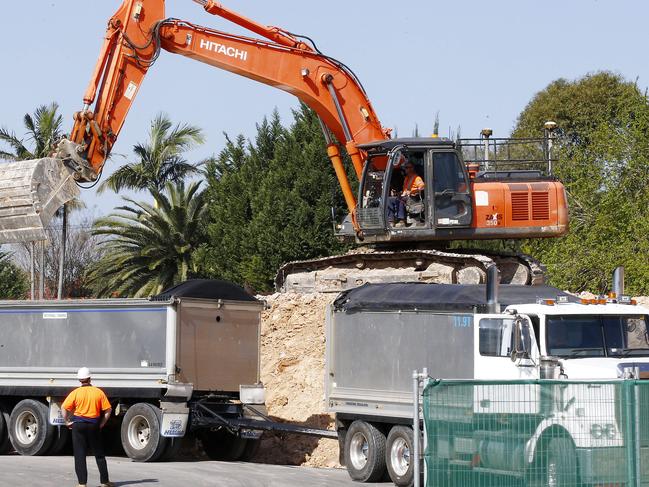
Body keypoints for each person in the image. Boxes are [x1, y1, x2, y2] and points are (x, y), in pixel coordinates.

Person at [62, 367, 113, 487]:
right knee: (99, 453)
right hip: (93, 425)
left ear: (79, 380)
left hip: (78, 425)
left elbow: (64, 408)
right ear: (90, 378)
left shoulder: (75, 393)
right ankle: (104, 482)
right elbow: (108, 410)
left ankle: (82, 484)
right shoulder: (98, 392)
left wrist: (66, 422)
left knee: (80, 454)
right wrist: (102, 423)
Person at [387, 161, 425, 227]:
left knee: (401, 200)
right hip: (405, 196)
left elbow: (422, 187)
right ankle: (391, 220)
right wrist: (400, 193)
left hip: (413, 198)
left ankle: (402, 220)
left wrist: (412, 192)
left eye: (407, 167)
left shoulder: (417, 178)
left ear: (412, 168)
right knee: (389, 200)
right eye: (405, 167)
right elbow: (405, 190)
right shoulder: (406, 178)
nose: (406, 169)